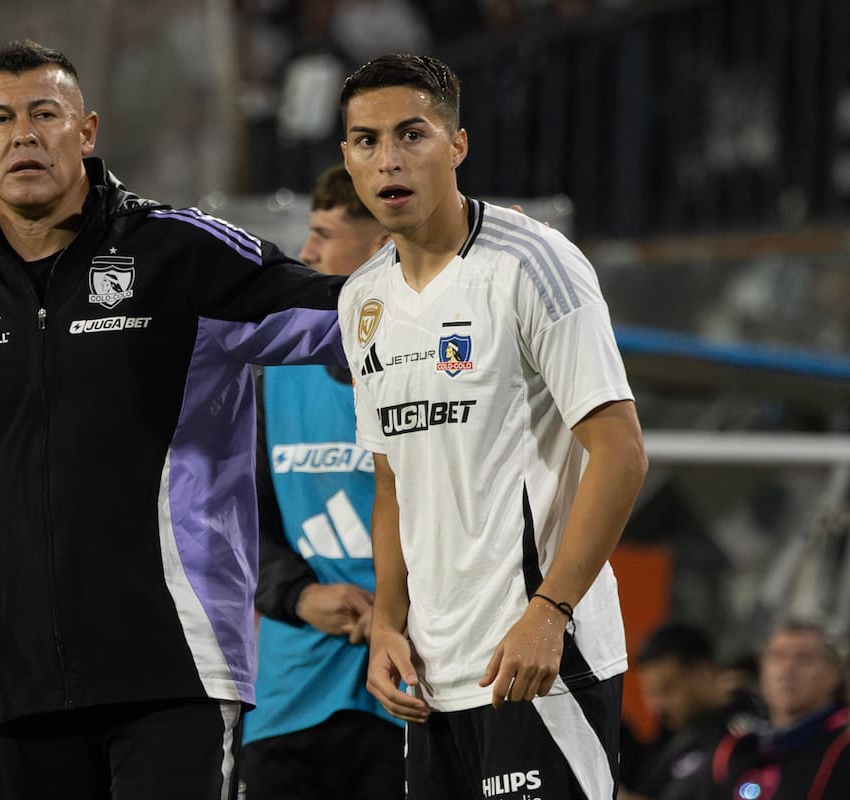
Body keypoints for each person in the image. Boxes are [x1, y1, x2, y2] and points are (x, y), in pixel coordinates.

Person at [0, 40, 345, 799]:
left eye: (47, 114)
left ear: (87, 131)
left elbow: (336, 317)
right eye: (2, 119)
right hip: (28, 692)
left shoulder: (182, 254)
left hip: (178, 673)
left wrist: (448, 280)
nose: (25, 135)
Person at [336, 54, 647, 799]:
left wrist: (551, 611)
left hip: (541, 663)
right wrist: (387, 625)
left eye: (412, 134)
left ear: (457, 144)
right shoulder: (361, 301)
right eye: (366, 140)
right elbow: (391, 483)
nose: (389, 160)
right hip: (433, 680)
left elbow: (621, 452)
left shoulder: (533, 263)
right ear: (346, 157)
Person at [243, 164, 401, 800]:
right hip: (288, 695)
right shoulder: (274, 376)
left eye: (324, 233)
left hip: (406, 693)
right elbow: (236, 528)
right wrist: (300, 596)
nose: (306, 252)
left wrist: (397, 608)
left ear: (381, 247)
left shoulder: (433, 377)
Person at [708, 620, 850, 799]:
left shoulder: (842, 749)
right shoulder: (740, 748)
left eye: (804, 659)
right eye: (777, 657)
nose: (787, 670)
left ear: (834, 674)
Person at [623, 623, 763, 800]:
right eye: (651, 693)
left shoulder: (748, 736)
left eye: (667, 689)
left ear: (705, 671)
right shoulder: (675, 735)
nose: (657, 706)